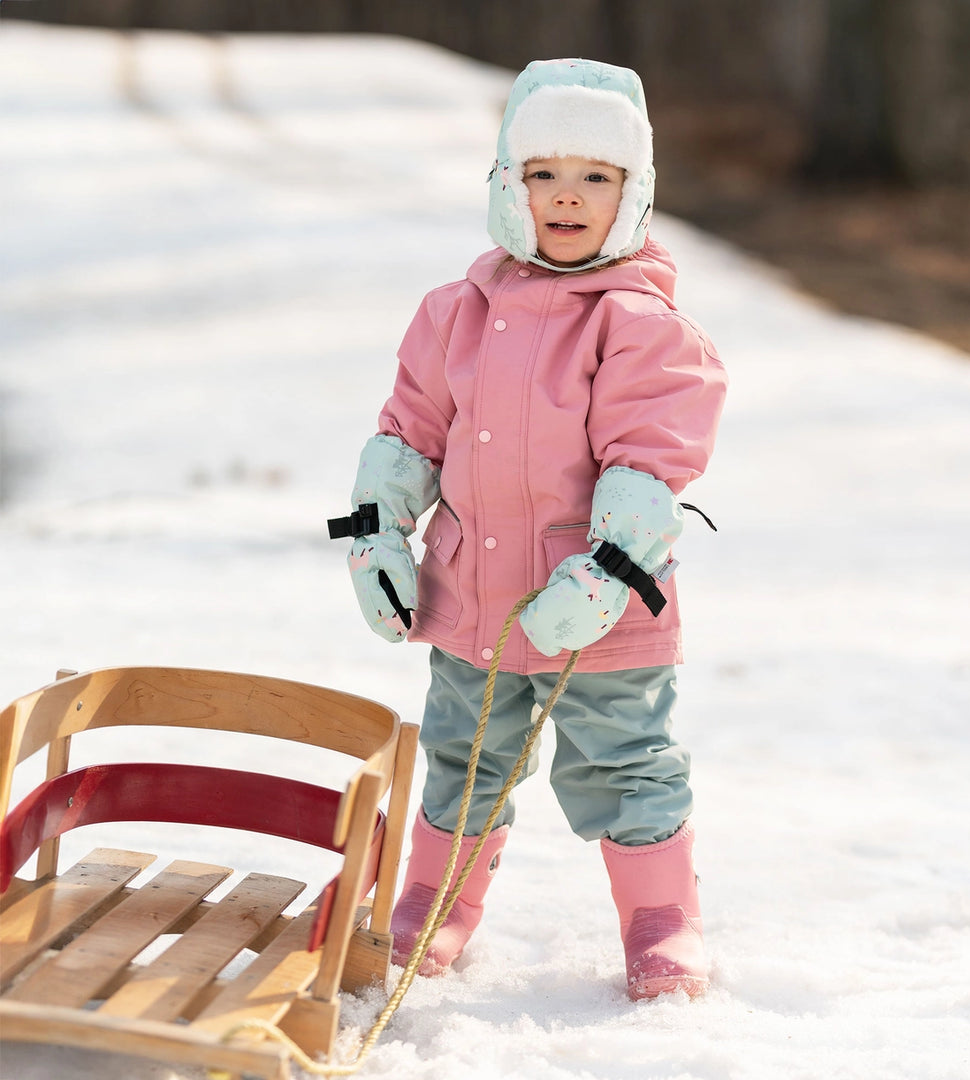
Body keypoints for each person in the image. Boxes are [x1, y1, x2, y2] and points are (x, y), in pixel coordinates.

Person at [340, 58, 727, 1001]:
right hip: (475, 599)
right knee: (461, 756)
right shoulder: (453, 314)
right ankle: (436, 902)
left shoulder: (641, 325)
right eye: (543, 174)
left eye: (597, 178)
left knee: (626, 761)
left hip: (599, 614)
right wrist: (379, 539)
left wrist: (605, 576)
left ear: (632, 195)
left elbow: (650, 464)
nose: (567, 197)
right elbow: (407, 436)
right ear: (506, 186)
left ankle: (661, 923)